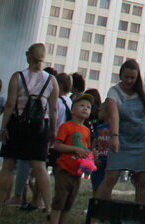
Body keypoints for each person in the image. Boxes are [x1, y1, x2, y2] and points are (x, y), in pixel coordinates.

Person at [0, 43, 58, 216]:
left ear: (28, 55)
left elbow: (10, 104)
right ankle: (48, 208)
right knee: (40, 167)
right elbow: (53, 109)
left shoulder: (18, 76)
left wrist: (3, 127)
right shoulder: (51, 80)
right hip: (40, 126)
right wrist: (53, 130)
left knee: (8, 166)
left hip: (18, 123)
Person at [95, 59, 145, 205]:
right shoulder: (113, 92)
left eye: (132, 78)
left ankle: (140, 214)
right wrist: (114, 136)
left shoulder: (144, 89)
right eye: (126, 77)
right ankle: (98, 210)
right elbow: (114, 116)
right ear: (120, 75)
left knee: (141, 180)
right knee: (111, 176)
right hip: (121, 138)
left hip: (141, 139)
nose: (129, 81)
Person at [50, 93, 94, 224]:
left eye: (88, 107)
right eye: (81, 106)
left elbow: (86, 149)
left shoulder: (87, 131)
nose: (85, 108)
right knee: (60, 198)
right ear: (73, 110)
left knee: (70, 200)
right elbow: (57, 146)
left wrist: (91, 156)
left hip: (77, 172)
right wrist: (75, 149)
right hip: (64, 168)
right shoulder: (66, 126)